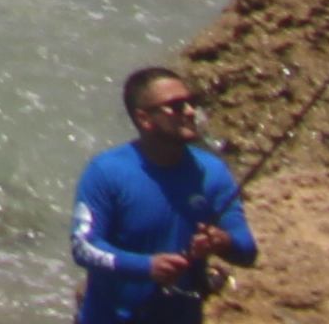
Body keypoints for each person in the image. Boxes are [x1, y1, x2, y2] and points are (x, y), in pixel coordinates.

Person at [75, 66, 255, 323]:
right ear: (144, 119)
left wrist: (221, 242)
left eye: (191, 103)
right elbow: (84, 247)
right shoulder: (106, 172)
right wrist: (147, 267)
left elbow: (247, 250)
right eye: (177, 106)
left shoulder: (212, 172)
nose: (191, 112)